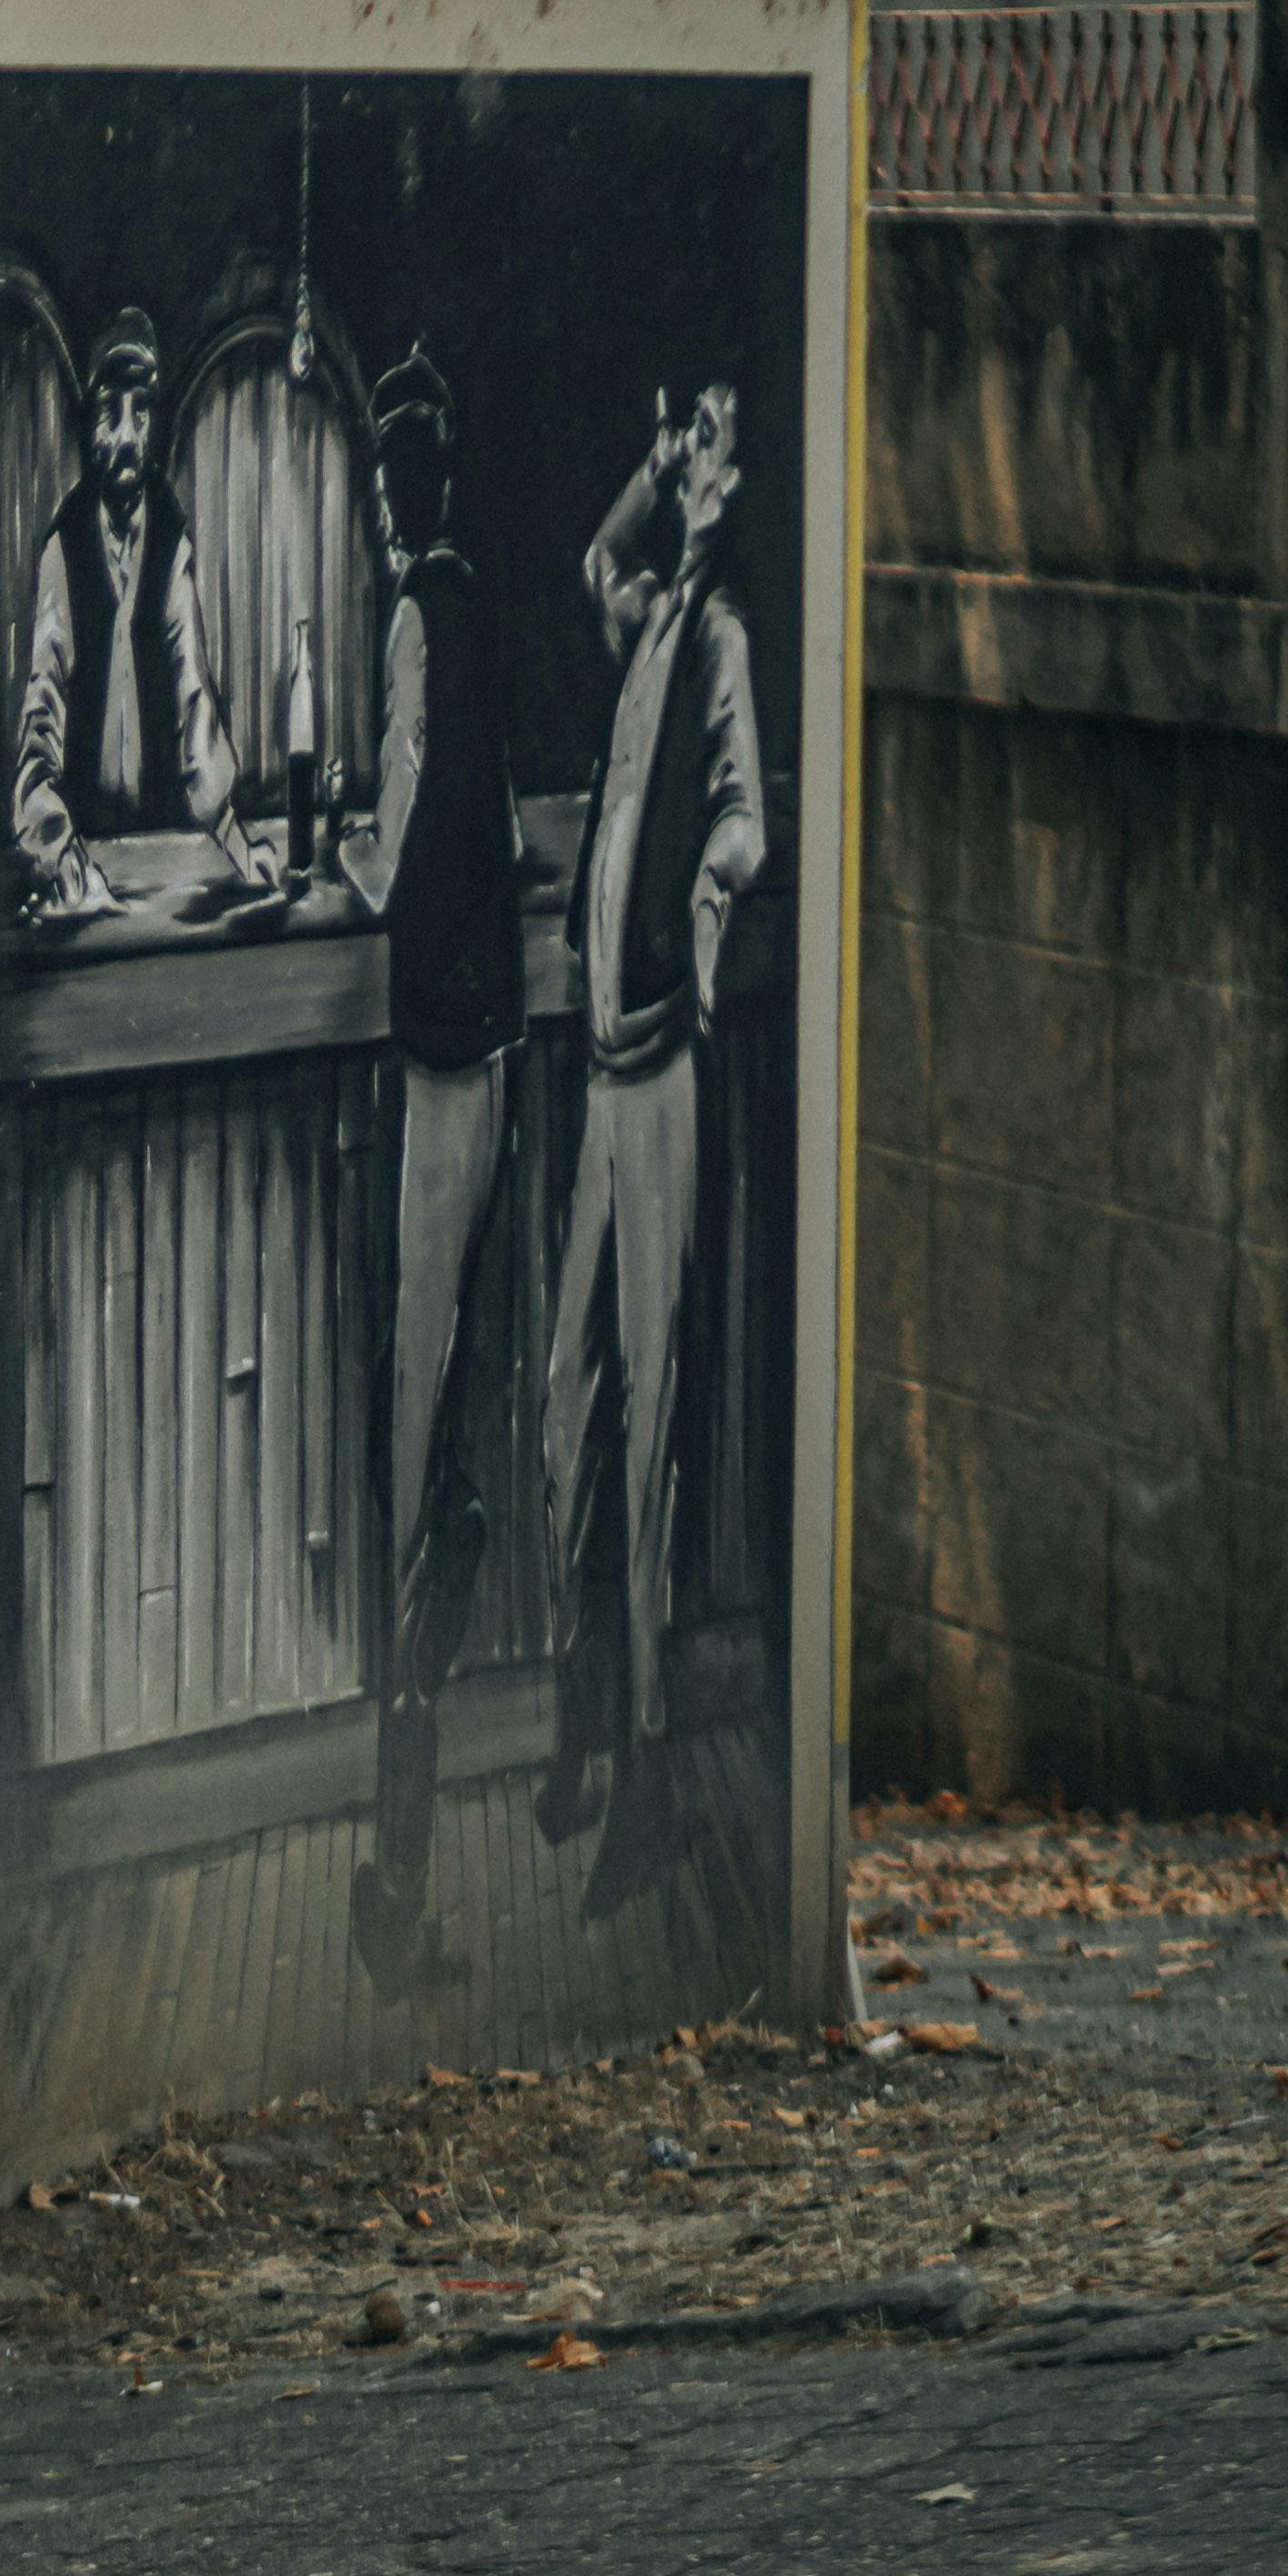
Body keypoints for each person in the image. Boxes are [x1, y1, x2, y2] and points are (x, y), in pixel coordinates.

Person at [529, 381, 767, 1851]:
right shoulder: (645, 626)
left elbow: (744, 812)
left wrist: (706, 896)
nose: (688, 489)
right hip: (597, 1081)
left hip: (661, 1072)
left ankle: (648, 1778)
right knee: (566, 1414)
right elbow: (589, 566)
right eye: (682, 465)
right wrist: (645, 456)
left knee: (649, 1423)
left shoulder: (723, 636)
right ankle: (575, 1729)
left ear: (732, 493)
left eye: (705, 470)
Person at [340, 348, 520, 1986]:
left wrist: (349, 854)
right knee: (447, 1416)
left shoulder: (412, 618)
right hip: (499, 1043)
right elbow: (500, 828)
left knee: (414, 1447)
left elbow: (400, 837)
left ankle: (398, 1882)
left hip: (440, 1058)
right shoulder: (483, 608)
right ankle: (412, 1844)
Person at [8, 310, 238, 915]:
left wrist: (236, 840)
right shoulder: (64, 548)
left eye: (140, 413)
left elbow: (195, 699)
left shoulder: (170, 537)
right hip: (81, 854)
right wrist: (59, 851)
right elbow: (41, 717)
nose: (128, 437)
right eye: (111, 414)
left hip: (161, 848)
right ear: (89, 427)